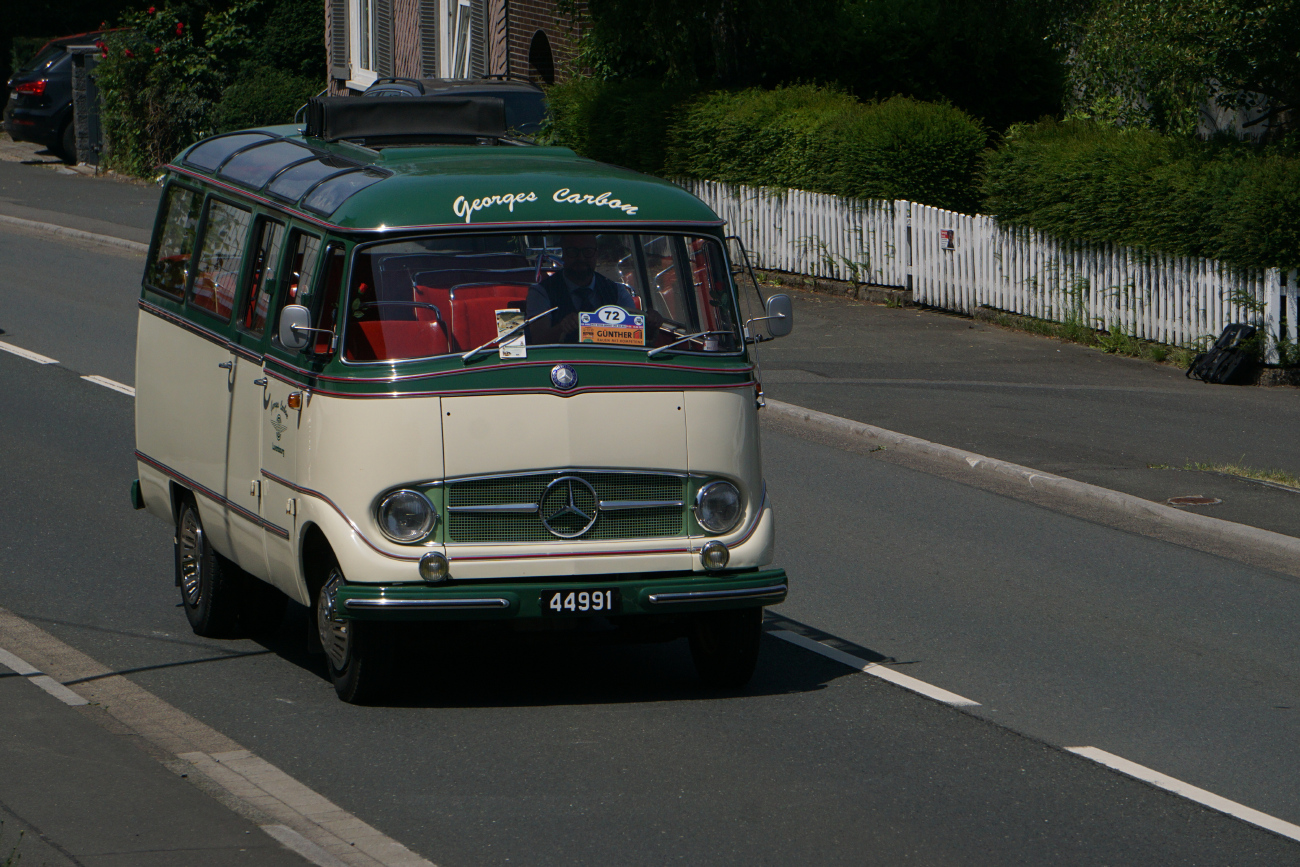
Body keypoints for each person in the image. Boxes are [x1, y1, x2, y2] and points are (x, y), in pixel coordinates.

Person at [526, 235, 661, 344]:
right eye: (573, 252)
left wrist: (651, 324)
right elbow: (538, 340)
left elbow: (636, 336)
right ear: (563, 255)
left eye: (588, 252)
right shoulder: (541, 292)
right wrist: (562, 327)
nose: (581, 258)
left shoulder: (617, 291)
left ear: (596, 255)